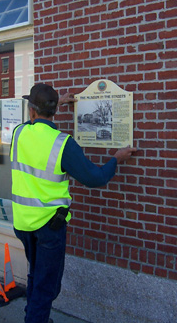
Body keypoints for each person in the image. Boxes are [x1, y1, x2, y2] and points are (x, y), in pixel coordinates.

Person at [10, 83, 137, 323]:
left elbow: (34, 128)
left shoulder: (19, 133)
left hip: (23, 224)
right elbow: (95, 178)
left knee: (36, 275)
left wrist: (56, 104)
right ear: (53, 112)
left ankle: (35, 316)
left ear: (31, 111)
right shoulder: (61, 143)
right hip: (48, 227)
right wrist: (116, 159)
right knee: (47, 288)